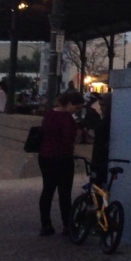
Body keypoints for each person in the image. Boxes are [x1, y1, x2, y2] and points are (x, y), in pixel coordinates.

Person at [37, 89, 83, 236]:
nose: (76, 111)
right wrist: (78, 136)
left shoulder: (49, 114)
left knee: (48, 190)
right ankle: (67, 225)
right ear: (69, 103)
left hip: (45, 156)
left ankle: (46, 224)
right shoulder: (67, 118)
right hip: (62, 157)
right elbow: (68, 140)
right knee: (64, 193)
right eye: (76, 107)